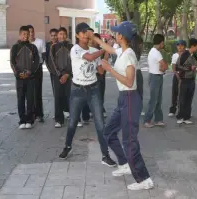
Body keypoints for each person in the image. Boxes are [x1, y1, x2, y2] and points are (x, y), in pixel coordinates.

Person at [90, 21, 154, 191]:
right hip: (122, 99)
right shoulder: (122, 50)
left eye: (116, 33)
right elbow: (108, 48)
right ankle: (125, 163)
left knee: (129, 141)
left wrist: (109, 69)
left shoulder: (129, 55)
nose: (114, 35)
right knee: (108, 132)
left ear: (121, 36)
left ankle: (144, 179)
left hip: (130, 99)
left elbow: (129, 81)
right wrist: (93, 38)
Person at [59, 22, 117, 168]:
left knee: (100, 124)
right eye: (84, 32)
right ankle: (67, 146)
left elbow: (101, 71)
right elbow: (90, 58)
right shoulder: (75, 49)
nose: (87, 35)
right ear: (78, 35)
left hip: (93, 90)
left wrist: (106, 53)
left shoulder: (93, 49)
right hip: (77, 90)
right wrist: (103, 46)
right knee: (72, 122)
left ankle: (105, 155)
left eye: (88, 32)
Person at [10, 26, 39, 129]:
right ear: (20, 34)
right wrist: (18, 73)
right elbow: (12, 62)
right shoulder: (15, 47)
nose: (26, 36)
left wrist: (30, 72)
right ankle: (22, 120)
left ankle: (29, 120)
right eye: (24, 34)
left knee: (30, 100)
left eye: (27, 34)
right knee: (21, 99)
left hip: (30, 78)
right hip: (20, 79)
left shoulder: (33, 47)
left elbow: (36, 63)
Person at [50, 27, 73, 128]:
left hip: (69, 76)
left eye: (64, 34)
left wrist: (67, 74)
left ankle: (74, 118)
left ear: (66, 35)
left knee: (70, 96)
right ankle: (59, 119)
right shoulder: (53, 47)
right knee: (58, 97)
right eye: (60, 34)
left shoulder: (71, 47)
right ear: (57, 36)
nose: (62, 36)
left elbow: (73, 61)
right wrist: (60, 75)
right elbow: (52, 62)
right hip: (57, 76)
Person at [144, 34, 168, 128]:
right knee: (153, 100)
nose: (163, 44)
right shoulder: (156, 52)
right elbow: (164, 65)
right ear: (161, 42)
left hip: (156, 76)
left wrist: (162, 69)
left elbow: (162, 66)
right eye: (163, 43)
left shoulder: (154, 51)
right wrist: (164, 68)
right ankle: (147, 120)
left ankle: (158, 119)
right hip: (155, 77)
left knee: (158, 100)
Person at [176, 38, 197, 124]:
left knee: (189, 99)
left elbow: (196, 65)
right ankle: (180, 116)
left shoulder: (194, 55)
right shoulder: (184, 55)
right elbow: (177, 67)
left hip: (192, 80)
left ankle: (187, 117)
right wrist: (189, 68)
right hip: (184, 80)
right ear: (193, 46)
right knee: (182, 99)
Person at [28, 25, 46, 123]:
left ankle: (39, 114)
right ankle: (30, 114)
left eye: (32, 31)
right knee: (29, 93)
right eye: (29, 32)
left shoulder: (40, 42)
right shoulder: (24, 44)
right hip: (27, 70)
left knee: (37, 92)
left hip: (37, 69)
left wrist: (37, 65)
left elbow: (43, 56)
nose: (31, 34)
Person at [168, 40, 186, 117]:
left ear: (184, 46)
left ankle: (185, 110)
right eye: (178, 45)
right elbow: (173, 67)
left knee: (185, 95)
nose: (180, 47)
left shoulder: (188, 55)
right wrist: (178, 76)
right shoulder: (175, 55)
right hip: (177, 76)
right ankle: (172, 110)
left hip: (186, 77)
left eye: (181, 45)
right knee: (175, 93)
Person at [46, 28, 59, 97]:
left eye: (55, 35)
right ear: (50, 36)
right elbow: (46, 58)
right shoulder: (48, 45)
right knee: (54, 88)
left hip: (60, 70)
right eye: (52, 35)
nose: (53, 37)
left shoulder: (60, 44)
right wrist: (50, 70)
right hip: (52, 71)